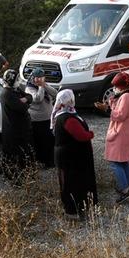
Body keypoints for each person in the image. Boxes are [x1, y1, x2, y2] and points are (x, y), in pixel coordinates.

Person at [51, 89, 98, 220]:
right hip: (69, 157)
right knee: (71, 183)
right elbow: (81, 136)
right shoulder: (68, 119)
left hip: (70, 155)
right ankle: (72, 211)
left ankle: (77, 207)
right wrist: (91, 134)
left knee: (73, 181)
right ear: (69, 101)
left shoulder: (64, 113)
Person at [94, 71, 129, 204]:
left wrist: (106, 109)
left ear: (122, 86)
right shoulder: (128, 94)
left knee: (115, 162)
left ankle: (125, 189)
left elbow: (120, 115)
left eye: (116, 86)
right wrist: (112, 102)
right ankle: (128, 186)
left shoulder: (125, 97)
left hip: (120, 134)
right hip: (125, 133)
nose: (114, 88)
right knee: (123, 161)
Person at [0, 69, 33, 184]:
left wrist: (25, 99)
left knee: (23, 153)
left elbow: (30, 97)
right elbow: (23, 107)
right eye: (16, 79)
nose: (18, 81)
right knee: (15, 156)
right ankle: (15, 179)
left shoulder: (15, 90)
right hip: (13, 131)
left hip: (21, 129)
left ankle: (25, 175)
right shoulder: (7, 94)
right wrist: (25, 101)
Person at [26, 67, 57, 168]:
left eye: (41, 77)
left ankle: (50, 161)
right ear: (33, 78)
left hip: (48, 119)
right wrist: (41, 87)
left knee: (50, 141)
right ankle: (42, 161)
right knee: (41, 142)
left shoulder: (43, 85)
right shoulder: (29, 88)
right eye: (37, 77)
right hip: (38, 121)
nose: (39, 79)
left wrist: (44, 85)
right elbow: (38, 98)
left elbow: (55, 93)